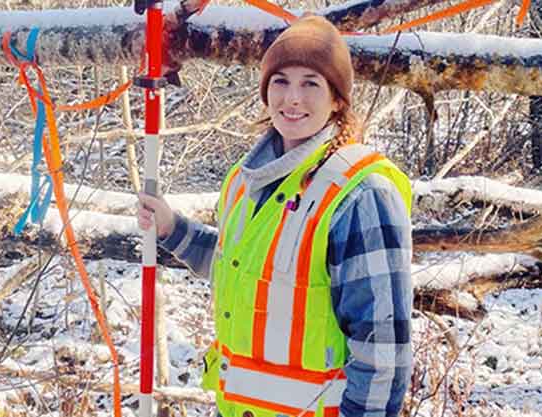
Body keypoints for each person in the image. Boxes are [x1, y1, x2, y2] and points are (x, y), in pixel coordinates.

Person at [137, 15, 413, 417]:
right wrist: (173, 230)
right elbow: (240, 271)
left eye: (311, 83)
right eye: (280, 81)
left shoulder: (361, 193)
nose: (292, 98)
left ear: (337, 99)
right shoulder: (246, 181)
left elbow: (382, 349)